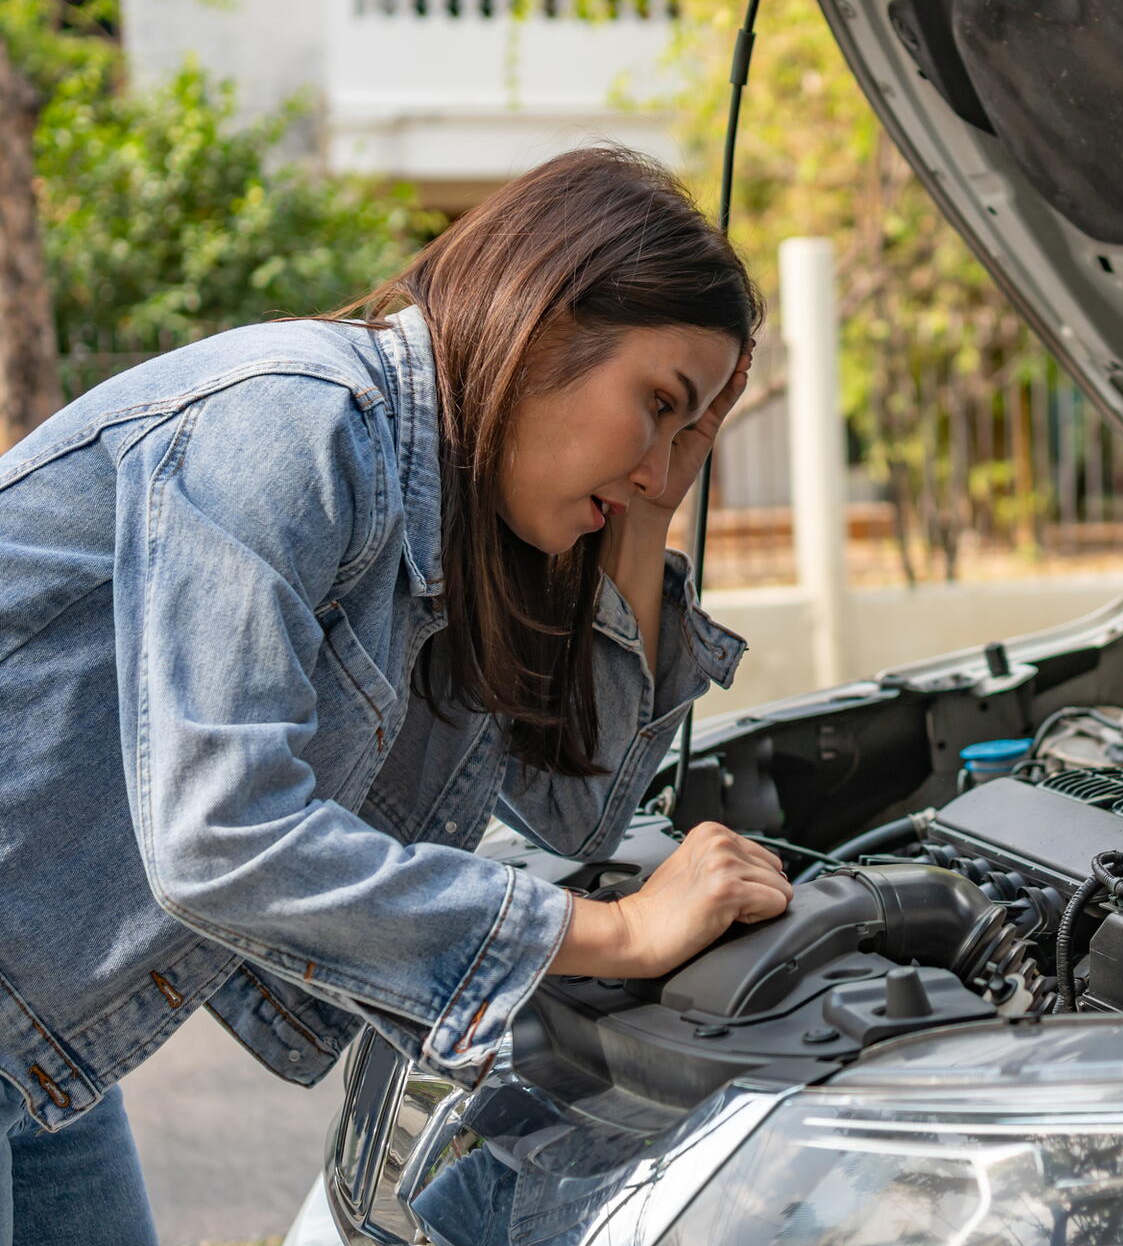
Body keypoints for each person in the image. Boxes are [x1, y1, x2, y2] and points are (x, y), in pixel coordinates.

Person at [0, 145, 794, 1242]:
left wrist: (653, 507)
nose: (662, 463)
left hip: (36, 1049)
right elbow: (221, 835)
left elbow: (579, 807)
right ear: (547, 318)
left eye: (689, 427)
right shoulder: (296, 422)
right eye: (657, 402)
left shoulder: (467, 530)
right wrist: (614, 932)